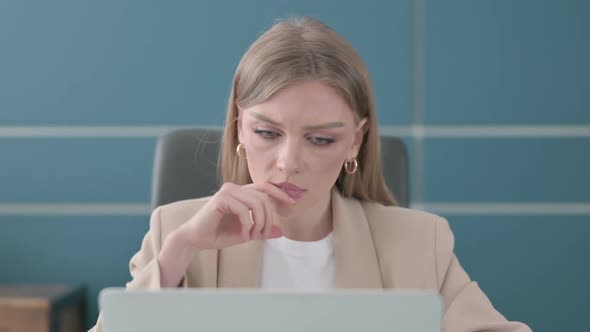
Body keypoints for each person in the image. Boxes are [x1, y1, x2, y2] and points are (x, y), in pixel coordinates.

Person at [90, 16, 531, 332]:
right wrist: (179, 251)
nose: (288, 161)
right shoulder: (174, 231)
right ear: (239, 127)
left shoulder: (420, 243)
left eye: (320, 139)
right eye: (266, 132)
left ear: (356, 140)